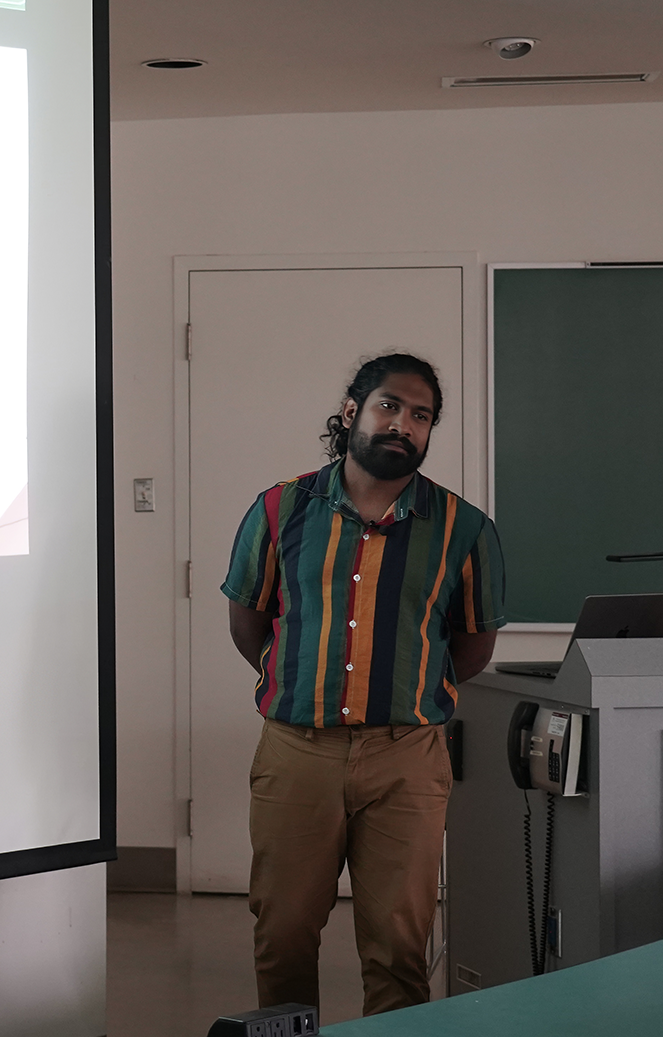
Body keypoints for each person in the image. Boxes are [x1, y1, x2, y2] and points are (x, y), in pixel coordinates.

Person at [220, 352, 505, 1016]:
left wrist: (398, 690)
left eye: (420, 415)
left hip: (408, 760)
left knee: (399, 949)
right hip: (298, 752)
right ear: (352, 413)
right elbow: (248, 623)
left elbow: (471, 647)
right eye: (389, 406)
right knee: (283, 934)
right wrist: (301, 682)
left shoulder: (465, 530)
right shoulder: (278, 509)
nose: (402, 423)